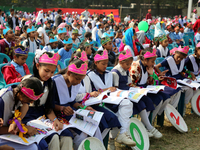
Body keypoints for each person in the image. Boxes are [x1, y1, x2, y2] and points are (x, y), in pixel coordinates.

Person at [22, 51, 73, 150]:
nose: (49, 74)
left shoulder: (50, 83)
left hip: (42, 117)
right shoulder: (27, 82)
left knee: (67, 135)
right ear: (37, 66)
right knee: (53, 137)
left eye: (52, 72)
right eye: (46, 70)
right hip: (27, 117)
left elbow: (49, 108)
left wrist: (55, 120)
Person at [87, 50, 136, 148]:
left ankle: (122, 133)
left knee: (127, 103)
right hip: (97, 103)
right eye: (103, 64)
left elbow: (112, 88)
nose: (105, 66)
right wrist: (106, 89)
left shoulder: (109, 74)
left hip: (111, 100)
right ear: (96, 63)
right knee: (119, 116)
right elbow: (90, 92)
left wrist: (114, 90)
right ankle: (111, 139)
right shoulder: (89, 75)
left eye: (106, 63)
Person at [52, 59, 103, 149]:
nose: (79, 82)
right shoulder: (55, 82)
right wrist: (62, 108)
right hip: (57, 114)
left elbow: (71, 101)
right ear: (68, 73)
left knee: (95, 127)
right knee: (82, 134)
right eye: (77, 79)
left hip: (71, 112)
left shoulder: (75, 82)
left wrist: (84, 108)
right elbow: (49, 106)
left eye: (81, 79)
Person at [111, 49, 162, 138]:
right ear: (120, 62)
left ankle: (146, 127)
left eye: (130, 64)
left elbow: (129, 83)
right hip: (121, 95)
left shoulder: (125, 70)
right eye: (127, 64)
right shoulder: (115, 72)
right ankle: (149, 128)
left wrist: (138, 89)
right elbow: (115, 88)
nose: (129, 66)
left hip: (129, 91)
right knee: (140, 103)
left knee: (147, 101)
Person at [0, 77, 43, 150]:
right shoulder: (2, 100)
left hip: (8, 134)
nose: (31, 103)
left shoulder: (18, 96)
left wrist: (18, 119)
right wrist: (21, 129)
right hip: (2, 135)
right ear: (22, 94)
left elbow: (25, 106)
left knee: (36, 145)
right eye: (29, 100)